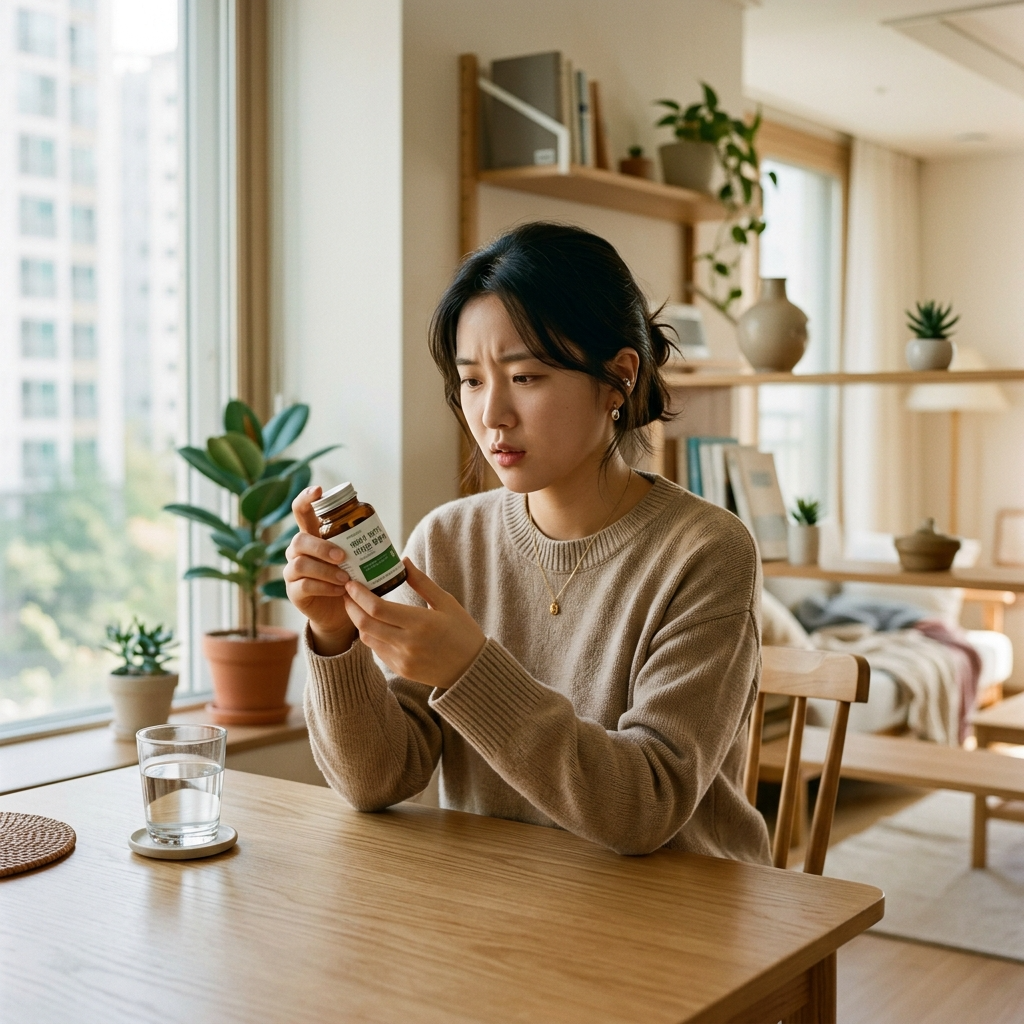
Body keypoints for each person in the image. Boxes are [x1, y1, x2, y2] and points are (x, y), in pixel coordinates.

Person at [284, 222, 770, 862]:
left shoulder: (706, 551)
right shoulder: (450, 540)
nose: (491, 416)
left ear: (618, 379)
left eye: (527, 376)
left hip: (681, 924)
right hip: (502, 911)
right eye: (472, 380)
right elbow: (376, 781)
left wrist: (468, 670)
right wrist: (333, 639)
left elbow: (646, 807)